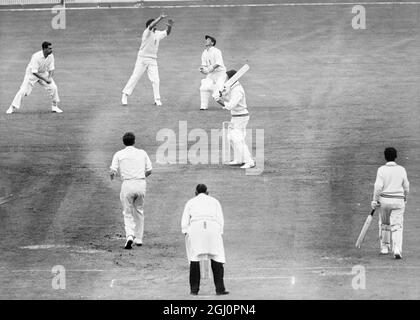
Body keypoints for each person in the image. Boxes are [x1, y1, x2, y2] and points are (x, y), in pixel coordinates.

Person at [181, 184, 229, 296]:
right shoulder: (215, 201)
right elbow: (220, 219)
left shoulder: (190, 202)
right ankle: (220, 289)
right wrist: (219, 233)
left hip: (195, 228)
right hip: (212, 227)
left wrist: (186, 232)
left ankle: (194, 290)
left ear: (196, 193)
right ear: (207, 192)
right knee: (217, 256)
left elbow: (184, 222)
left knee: (194, 258)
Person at [110, 132, 153, 249]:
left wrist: (113, 175)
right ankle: (138, 239)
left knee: (127, 212)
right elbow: (149, 170)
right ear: (134, 141)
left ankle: (129, 236)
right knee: (139, 210)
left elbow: (112, 170)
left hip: (127, 184)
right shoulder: (142, 153)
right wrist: (139, 176)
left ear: (123, 142)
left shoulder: (119, 154)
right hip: (140, 183)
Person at [121, 13, 173, 107]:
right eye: (154, 25)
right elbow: (152, 25)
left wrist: (169, 26)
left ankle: (157, 99)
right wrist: (160, 17)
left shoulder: (157, 34)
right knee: (135, 77)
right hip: (142, 58)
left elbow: (167, 33)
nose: (156, 27)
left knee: (156, 80)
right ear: (149, 26)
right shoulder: (146, 32)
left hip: (153, 60)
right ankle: (125, 95)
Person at [371, 147, 409, 259]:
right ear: (396, 156)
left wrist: (374, 200)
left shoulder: (381, 170)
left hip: (385, 201)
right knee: (397, 225)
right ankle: (397, 248)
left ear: (385, 157)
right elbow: (406, 186)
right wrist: (405, 197)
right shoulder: (401, 169)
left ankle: (385, 247)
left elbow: (378, 187)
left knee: (384, 223)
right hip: (398, 201)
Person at [6, 41, 62, 114]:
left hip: (43, 72)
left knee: (54, 87)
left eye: (51, 48)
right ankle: (12, 107)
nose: (51, 50)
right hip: (31, 74)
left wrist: (49, 78)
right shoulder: (36, 56)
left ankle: (55, 106)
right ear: (44, 49)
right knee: (23, 91)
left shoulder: (51, 56)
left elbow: (51, 68)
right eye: (49, 48)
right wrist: (45, 79)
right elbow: (34, 72)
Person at [215, 70, 255, 169]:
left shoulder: (237, 90)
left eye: (226, 77)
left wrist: (219, 100)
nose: (225, 79)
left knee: (237, 139)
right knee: (231, 138)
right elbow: (229, 100)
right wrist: (222, 96)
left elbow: (230, 106)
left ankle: (249, 162)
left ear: (231, 78)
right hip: (236, 117)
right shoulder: (232, 87)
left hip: (241, 117)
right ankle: (239, 159)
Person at [198, 35, 227, 110]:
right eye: (206, 39)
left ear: (212, 43)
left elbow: (219, 63)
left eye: (208, 40)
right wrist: (202, 69)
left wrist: (210, 69)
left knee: (217, 94)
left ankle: (229, 105)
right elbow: (204, 65)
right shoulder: (204, 52)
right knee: (203, 88)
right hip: (211, 74)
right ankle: (203, 106)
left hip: (220, 74)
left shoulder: (217, 51)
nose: (206, 40)